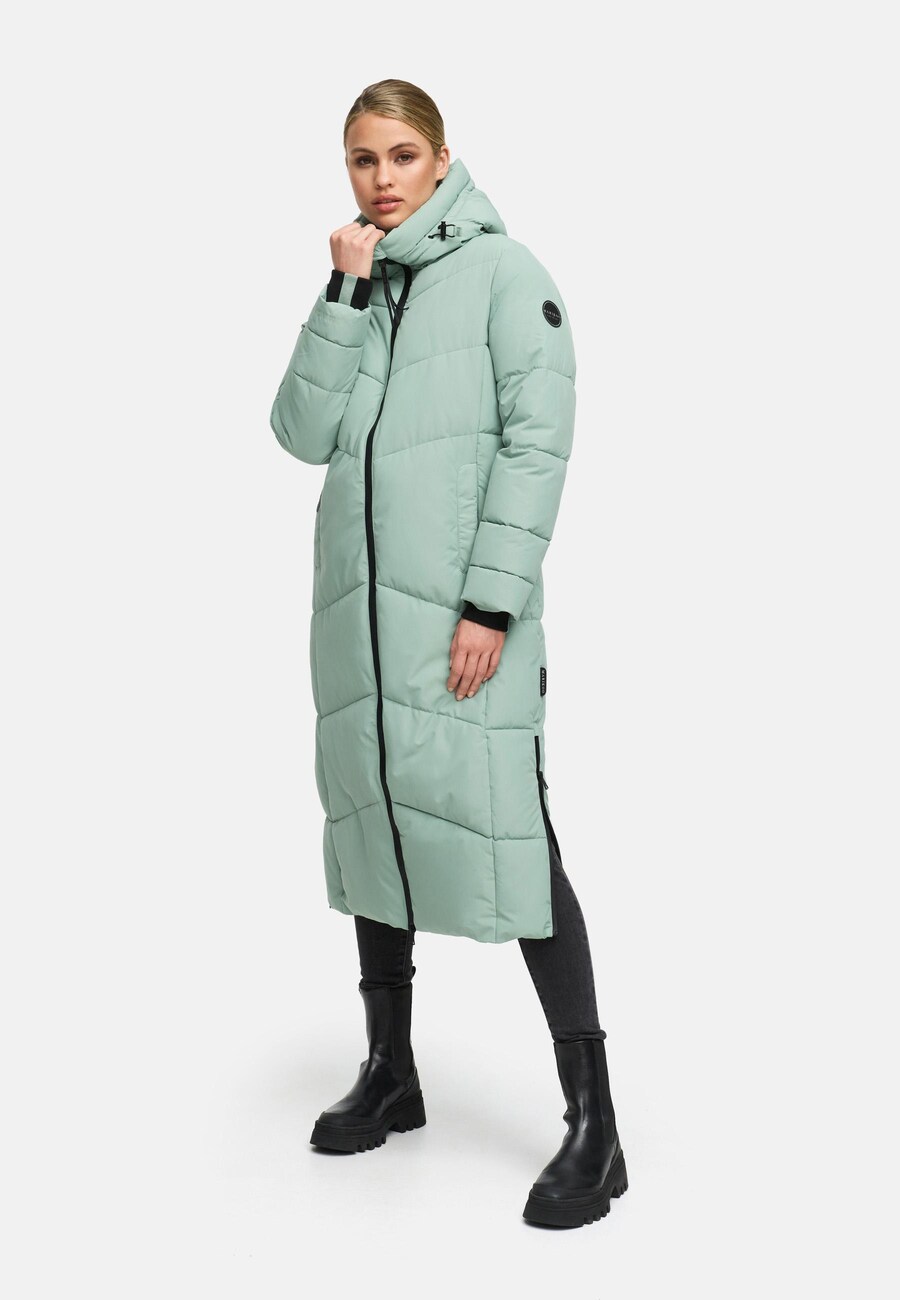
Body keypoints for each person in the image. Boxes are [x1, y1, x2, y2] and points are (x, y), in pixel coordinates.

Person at [269, 79, 628, 1229]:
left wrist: (490, 603)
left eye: (401, 155)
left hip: (463, 630)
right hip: (361, 630)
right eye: (361, 159)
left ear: (441, 159)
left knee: (515, 840)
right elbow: (300, 433)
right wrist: (341, 290)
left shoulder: (505, 274)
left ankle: (596, 1123)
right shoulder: (365, 283)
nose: (381, 178)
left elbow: (539, 438)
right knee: (374, 825)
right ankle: (392, 1070)